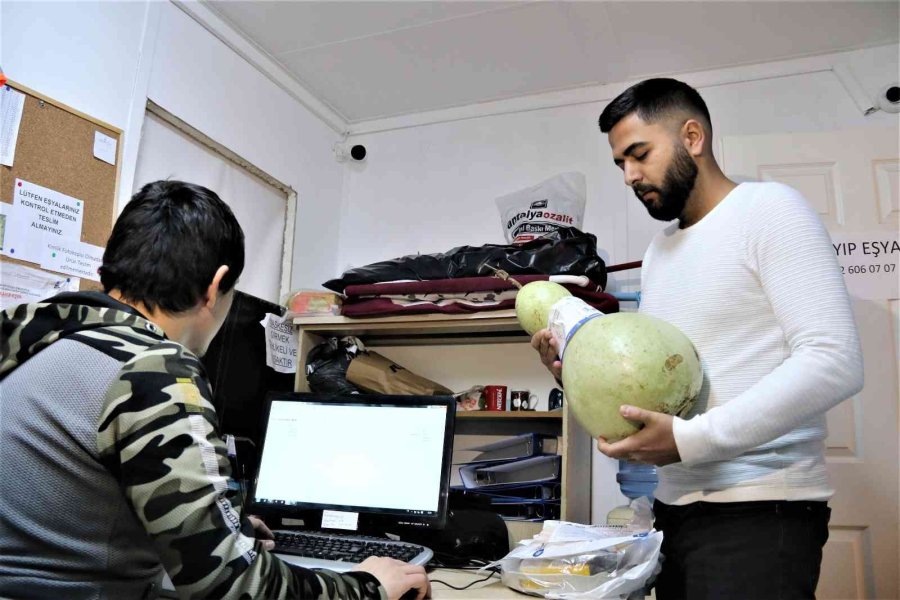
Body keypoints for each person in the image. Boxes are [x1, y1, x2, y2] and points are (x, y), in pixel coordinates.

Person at [0, 180, 430, 600]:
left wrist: (228, 530)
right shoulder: (153, 370)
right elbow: (233, 588)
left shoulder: (36, 343)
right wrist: (369, 586)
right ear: (215, 286)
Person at [531, 78, 863, 599]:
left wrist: (691, 440)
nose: (629, 176)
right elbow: (662, 378)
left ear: (692, 136)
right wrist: (572, 366)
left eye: (639, 154)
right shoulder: (659, 252)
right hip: (675, 512)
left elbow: (834, 360)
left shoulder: (770, 210)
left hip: (760, 510)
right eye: (620, 163)